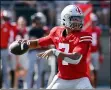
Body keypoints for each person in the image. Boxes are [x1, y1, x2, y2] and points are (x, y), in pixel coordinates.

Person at [17, 5, 93, 89]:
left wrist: (55, 52)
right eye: (75, 19)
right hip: (62, 79)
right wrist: (27, 43)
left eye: (79, 19)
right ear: (65, 18)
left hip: (80, 80)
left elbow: (75, 59)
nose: (78, 22)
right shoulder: (56, 32)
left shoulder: (83, 36)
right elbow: (40, 42)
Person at [26, 12, 49, 89]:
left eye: (38, 21)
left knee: (39, 72)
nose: (36, 23)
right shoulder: (31, 30)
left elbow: (45, 41)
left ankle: (37, 87)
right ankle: (28, 87)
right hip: (33, 52)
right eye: (36, 21)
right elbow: (32, 42)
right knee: (30, 71)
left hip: (41, 52)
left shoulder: (44, 30)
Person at [0, 9, 16, 88]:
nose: (5, 20)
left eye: (6, 19)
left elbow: (11, 40)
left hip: (4, 50)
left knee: (5, 70)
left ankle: (6, 87)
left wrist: (10, 52)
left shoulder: (9, 27)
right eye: (4, 18)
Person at [90, 13, 104, 88]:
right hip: (88, 53)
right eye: (92, 21)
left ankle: (94, 87)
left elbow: (99, 42)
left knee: (95, 71)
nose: (93, 23)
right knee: (90, 71)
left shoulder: (97, 30)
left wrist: (101, 54)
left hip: (95, 52)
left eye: (94, 21)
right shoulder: (86, 29)